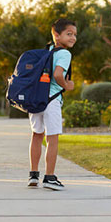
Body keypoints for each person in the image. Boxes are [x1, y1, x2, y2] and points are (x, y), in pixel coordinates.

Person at [27, 18, 75, 191]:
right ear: (57, 35)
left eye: (75, 35)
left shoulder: (46, 51)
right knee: (52, 138)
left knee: (36, 136)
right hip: (52, 100)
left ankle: (33, 175)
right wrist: (67, 85)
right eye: (69, 34)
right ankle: (49, 177)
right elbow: (57, 75)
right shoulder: (64, 54)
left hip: (35, 99)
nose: (73, 38)